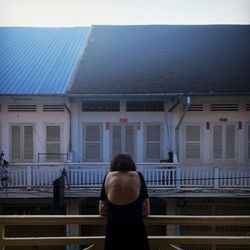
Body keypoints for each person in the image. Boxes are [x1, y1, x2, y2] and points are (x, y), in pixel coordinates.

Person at [99, 153, 150, 250]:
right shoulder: (138, 176)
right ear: (131, 164)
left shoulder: (108, 176)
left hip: (114, 233)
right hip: (136, 232)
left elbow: (102, 210)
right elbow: (147, 210)